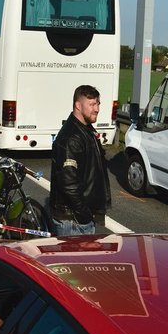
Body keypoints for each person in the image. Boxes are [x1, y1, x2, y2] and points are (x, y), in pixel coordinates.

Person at [49, 85, 112, 236]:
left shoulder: (86, 130)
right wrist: (84, 215)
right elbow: (68, 183)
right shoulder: (71, 137)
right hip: (73, 221)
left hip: (79, 218)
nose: (96, 109)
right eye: (91, 104)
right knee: (73, 260)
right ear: (78, 105)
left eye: (97, 104)